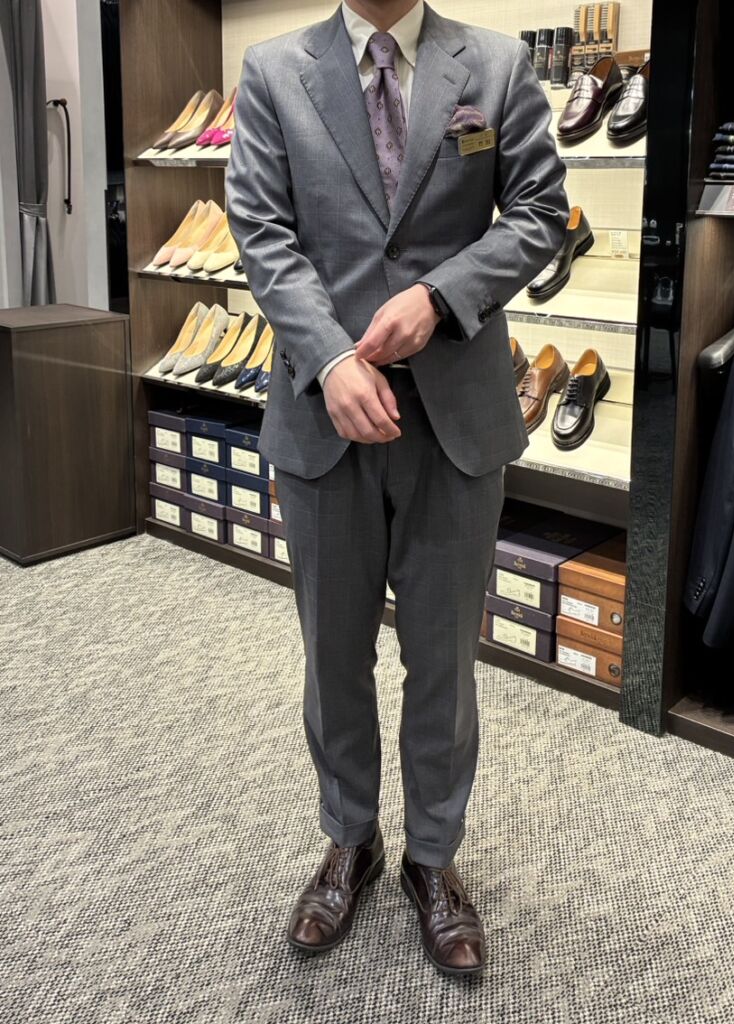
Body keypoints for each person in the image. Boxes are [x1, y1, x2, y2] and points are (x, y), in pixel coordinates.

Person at [226, 0, 567, 976]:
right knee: (333, 655)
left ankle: (433, 855)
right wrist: (331, 358)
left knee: (444, 660)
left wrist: (440, 296)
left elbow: (540, 213)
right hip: (322, 415)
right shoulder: (274, 72)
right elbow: (260, 229)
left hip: (455, 418)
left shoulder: (494, 66)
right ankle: (350, 840)